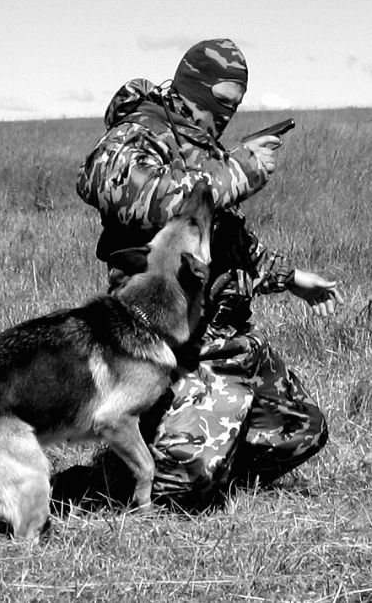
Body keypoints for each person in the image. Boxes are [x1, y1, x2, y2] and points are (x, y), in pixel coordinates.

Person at [57, 38, 343, 511]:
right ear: (192, 88)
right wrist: (239, 170)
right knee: (183, 489)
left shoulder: (201, 149)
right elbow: (107, 181)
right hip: (163, 340)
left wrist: (291, 278)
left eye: (236, 104)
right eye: (220, 101)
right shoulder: (139, 131)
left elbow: (227, 245)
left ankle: (207, 460)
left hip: (227, 338)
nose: (226, 114)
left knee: (302, 430)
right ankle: (103, 483)